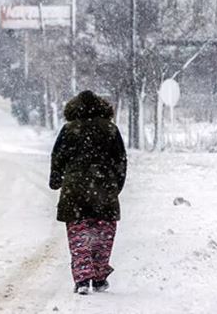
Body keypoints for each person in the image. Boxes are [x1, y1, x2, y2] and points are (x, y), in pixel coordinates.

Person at [49, 90, 127, 295]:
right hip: (104, 191)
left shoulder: (69, 130)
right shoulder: (110, 130)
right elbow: (120, 161)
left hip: (75, 192)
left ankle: (83, 279)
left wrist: (56, 180)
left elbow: (57, 157)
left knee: (79, 236)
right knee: (103, 236)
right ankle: (100, 278)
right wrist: (115, 187)